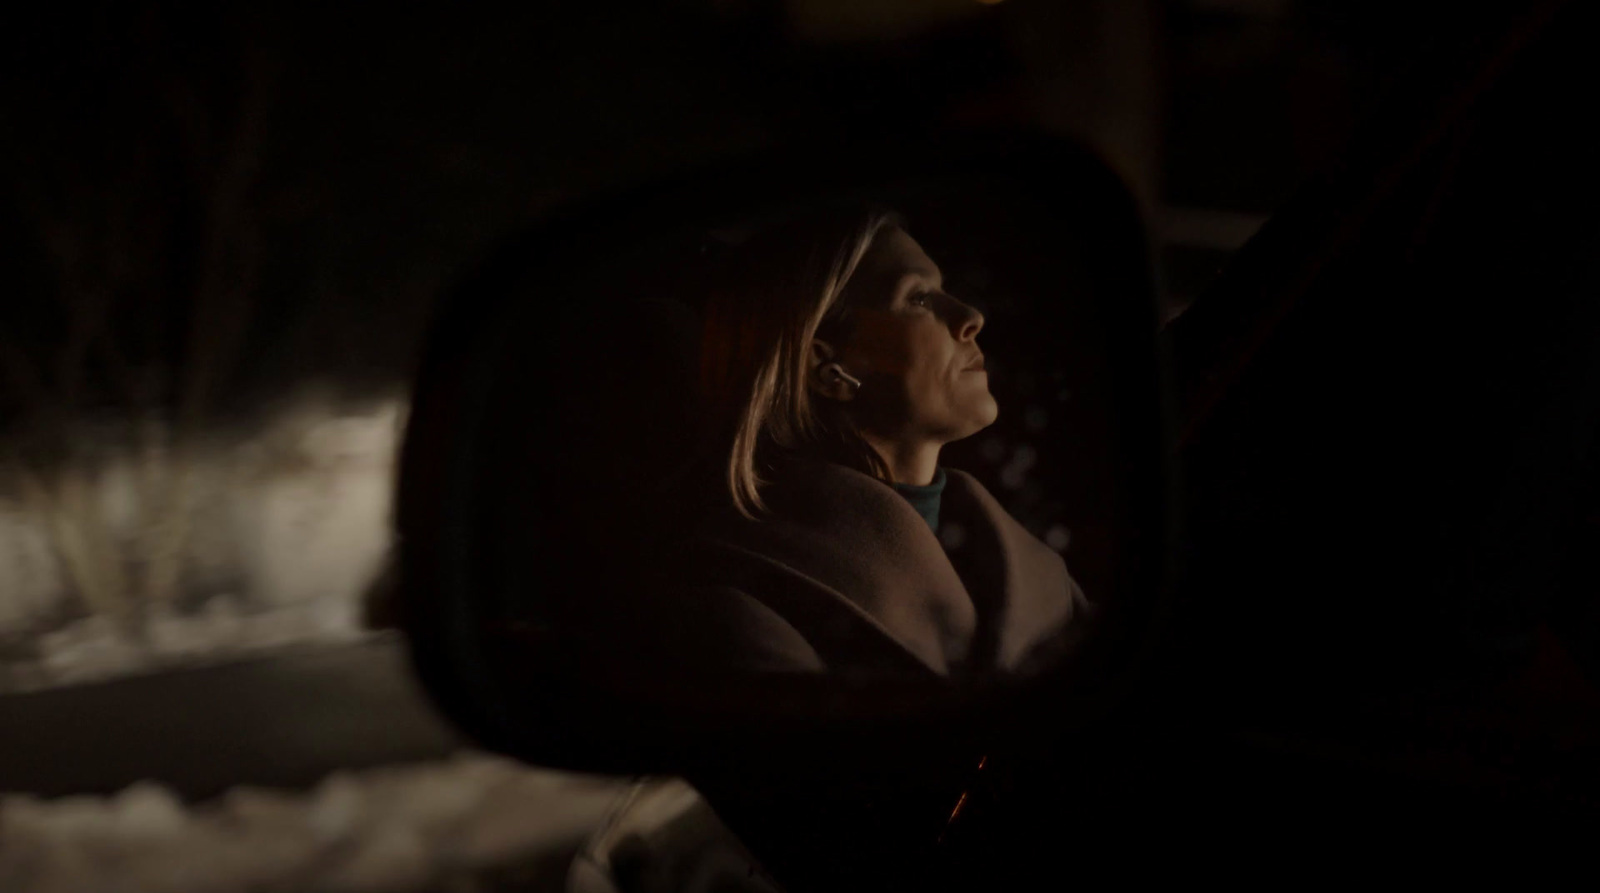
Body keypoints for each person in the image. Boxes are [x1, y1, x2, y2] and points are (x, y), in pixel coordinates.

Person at [626, 205, 1093, 681]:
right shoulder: (737, 598)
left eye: (943, 290)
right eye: (918, 299)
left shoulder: (1036, 569)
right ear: (829, 371)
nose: (971, 316)